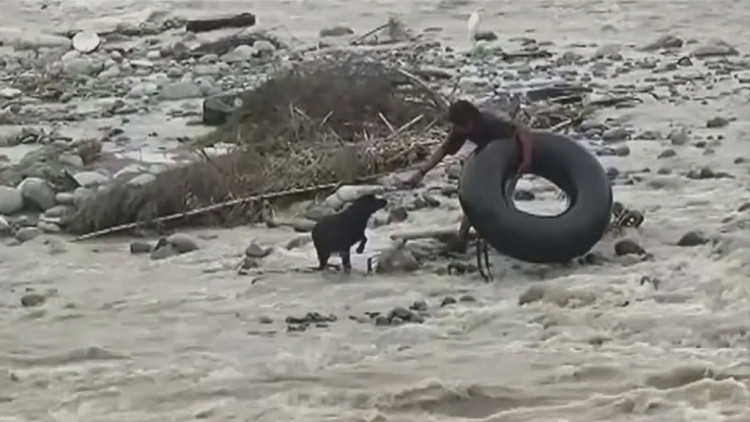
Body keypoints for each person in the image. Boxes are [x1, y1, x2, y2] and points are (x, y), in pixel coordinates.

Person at [404, 99, 534, 252]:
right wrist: (421, 173)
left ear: (469, 123)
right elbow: (443, 150)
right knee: (473, 200)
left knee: (501, 200)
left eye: (457, 125)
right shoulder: (461, 129)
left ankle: (512, 238)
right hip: (490, 161)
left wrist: (527, 159)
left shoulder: (490, 122)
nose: (455, 129)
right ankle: (462, 240)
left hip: (511, 159)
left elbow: (522, 131)